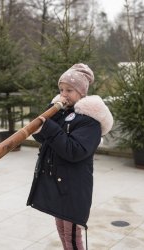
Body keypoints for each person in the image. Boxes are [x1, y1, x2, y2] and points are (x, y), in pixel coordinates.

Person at [27, 63, 113, 249]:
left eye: (69, 90)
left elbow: (74, 150)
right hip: (58, 182)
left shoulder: (90, 121)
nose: (64, 94)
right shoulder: (63, 113)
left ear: (82, 93)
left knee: (72, 234)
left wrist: (50, 127)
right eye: (61, 89)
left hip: (73, 186)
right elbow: (43, 137)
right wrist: (48, 119)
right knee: (60, 227)